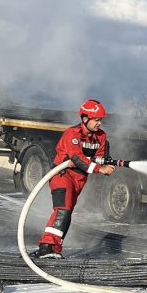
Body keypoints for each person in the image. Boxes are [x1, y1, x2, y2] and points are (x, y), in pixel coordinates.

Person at [32, 99, 117, 259]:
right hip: (62, 175)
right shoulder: (72, 134)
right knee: (62, 210)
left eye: (101, 120)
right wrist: (100, 169)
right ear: (85, 119)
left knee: (67, 213)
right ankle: (46, 246)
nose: (99, 123)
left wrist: (105, 161)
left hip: (79, 179)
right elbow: (76, 158)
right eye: (96, 119)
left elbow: (98, 157)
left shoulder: (101, 136)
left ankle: (55, 248)